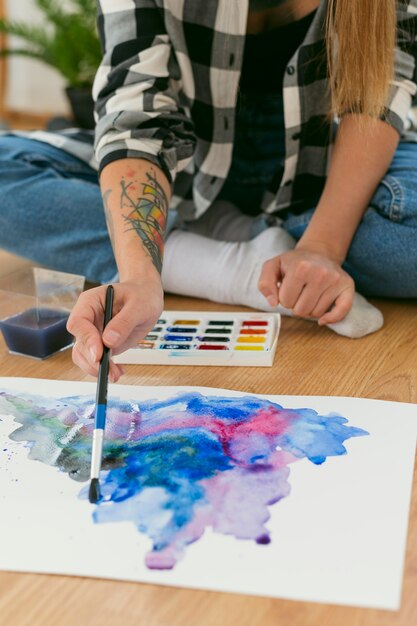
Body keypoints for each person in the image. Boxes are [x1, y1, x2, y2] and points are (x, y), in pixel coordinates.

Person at [0, 0, 416, 382]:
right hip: (183, 166)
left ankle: (267, 248)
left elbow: (379, 98)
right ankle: (239, 266)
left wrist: (325, 246)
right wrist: (140, 276)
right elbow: (135, 113)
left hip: (331, 163)